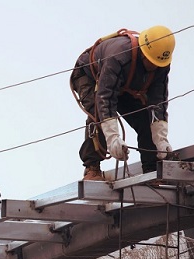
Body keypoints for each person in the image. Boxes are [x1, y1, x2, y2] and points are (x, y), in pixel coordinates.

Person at [70, 25, 176, 181]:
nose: (153, 67)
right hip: (89, 76)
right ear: (143, 53)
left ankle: (152, 170)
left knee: (144, 119)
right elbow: (105, 98)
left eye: (157, 65)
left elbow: (157, 102)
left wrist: (161, 139)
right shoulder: (120, 56)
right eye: (150, 62)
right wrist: (113, 139)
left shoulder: (161, 64)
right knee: (97, 114)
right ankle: (92, 168)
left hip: (122, 85)